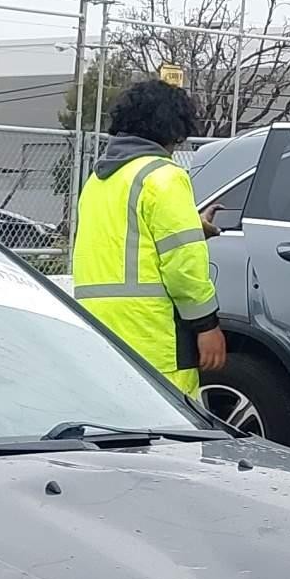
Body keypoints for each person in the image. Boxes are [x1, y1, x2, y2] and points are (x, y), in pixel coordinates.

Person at [69, 79, 226, 397]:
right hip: (153, 334)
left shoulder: (99, 181)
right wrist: (207, 326)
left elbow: (126, 240)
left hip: (98, 330)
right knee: (172, 436)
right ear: (174, 128)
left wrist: (194, 226)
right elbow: (184, 266)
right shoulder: (165, 176)